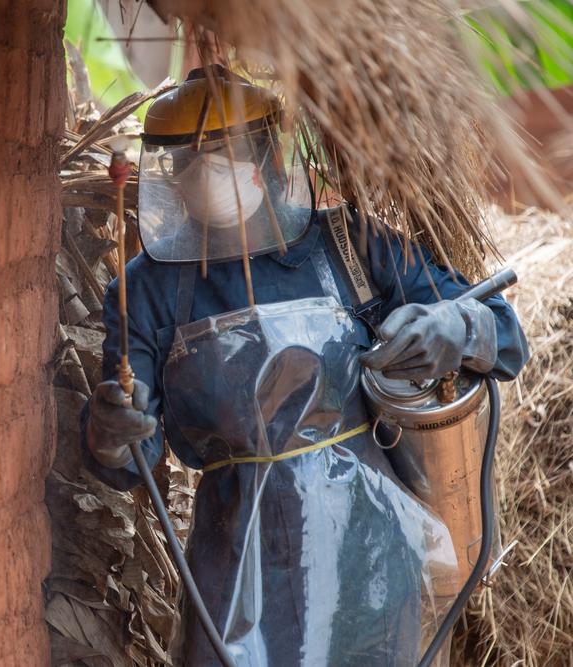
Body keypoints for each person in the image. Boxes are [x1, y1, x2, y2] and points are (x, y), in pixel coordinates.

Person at [80, 66, 529, 666]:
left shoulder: (349, 245)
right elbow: (130, 457)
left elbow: (507, 337)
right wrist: (109, 433)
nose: (204, 174)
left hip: (370, 561)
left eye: (224, 155)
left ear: (268, 157)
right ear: (167, 177)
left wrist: (456, 327)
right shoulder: (147, 291)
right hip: (235, 572)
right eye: (187, 162)